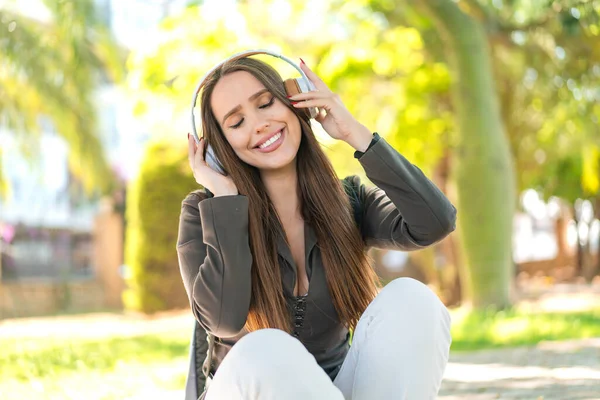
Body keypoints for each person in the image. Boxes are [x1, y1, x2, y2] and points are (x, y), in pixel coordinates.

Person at [177, 55, 457, 400]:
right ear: (220, 149)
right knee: (265, 348)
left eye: (266, 103)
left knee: (413, 301)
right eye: (237, 123)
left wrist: (356, 134)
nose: (260, 124)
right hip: (246, 388)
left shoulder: (348, 200)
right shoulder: (205, 212)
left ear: (298, 102)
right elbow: (223, 319)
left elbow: (435, 222)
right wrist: (225, 202)